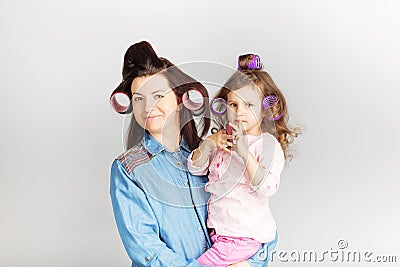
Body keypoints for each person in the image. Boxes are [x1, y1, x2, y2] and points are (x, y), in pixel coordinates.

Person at [109, 42, 272, 266]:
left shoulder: (213, 157)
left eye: (157, 95)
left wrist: (250, 263)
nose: (147, 107)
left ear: (179, 99)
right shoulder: (129, 170)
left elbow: (255, 218)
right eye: (138, 98)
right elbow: (147, 251)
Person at [188, 54, 300, 267]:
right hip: (220, 233)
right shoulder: (222, 139)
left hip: (243, 236)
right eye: (233, 104)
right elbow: (195, 168)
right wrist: (208, 144)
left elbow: (266, 186)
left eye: (248, 105)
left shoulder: (266, 144)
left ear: (265, 109)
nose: (239, 113)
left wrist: (244, 152)